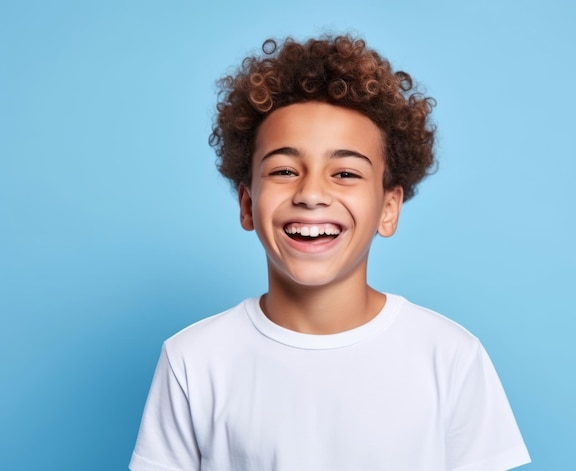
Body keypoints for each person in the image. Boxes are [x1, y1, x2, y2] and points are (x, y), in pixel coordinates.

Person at [129, 35, 531, 471]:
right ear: (247, 204)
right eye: (284, 170)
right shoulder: (193, 359)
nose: (312, 193)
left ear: (389, 208)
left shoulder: (450, 356)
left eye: (344, 172)